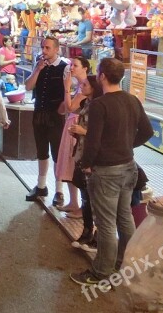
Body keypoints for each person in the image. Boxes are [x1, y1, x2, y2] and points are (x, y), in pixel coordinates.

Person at [70, 58, 153, 289]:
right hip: (129, 167)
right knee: (124, 217)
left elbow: (93, 141)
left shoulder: (100, 105)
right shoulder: (132, 100)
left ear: (103, 76)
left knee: (106, 223)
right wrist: (126, 145)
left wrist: (86, 164)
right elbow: (148, 131)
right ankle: (126, 263)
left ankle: (100, 272)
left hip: (106, 171)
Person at [24, 36, 69, 206]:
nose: (44, 50)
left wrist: (63, 108)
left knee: (57, 153)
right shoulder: (39, 64)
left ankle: (59, 190)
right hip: (39, 113)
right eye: (43, 47)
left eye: (48, 48)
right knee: (41, 151)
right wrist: (37, 70)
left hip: (55, 116)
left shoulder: (64, 68)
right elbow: (28, 87)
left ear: (57, 49)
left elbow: (68, 91)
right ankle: (41, 186)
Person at [68, 75, 102, 253]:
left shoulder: (99, 106)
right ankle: (87, 231)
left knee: (93, 199)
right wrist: (77, 133)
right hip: (80, 153)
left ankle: (96, 237)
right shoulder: (87, 104)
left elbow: (100, 134)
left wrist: (83, 131)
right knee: (85, 197)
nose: (82, 86)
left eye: (85, 84)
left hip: (91, 157)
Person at [55, 57, 92, 217]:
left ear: (85, 68)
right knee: (69, 164)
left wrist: (66, 88)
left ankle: (80, 207)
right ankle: (73, 202)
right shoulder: (79, 86)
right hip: (71, 125)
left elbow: (70, 107)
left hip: (76, 128)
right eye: (71, 65)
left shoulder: (85, 87)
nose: (71, 68)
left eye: (75, 65)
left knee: (73, 163)